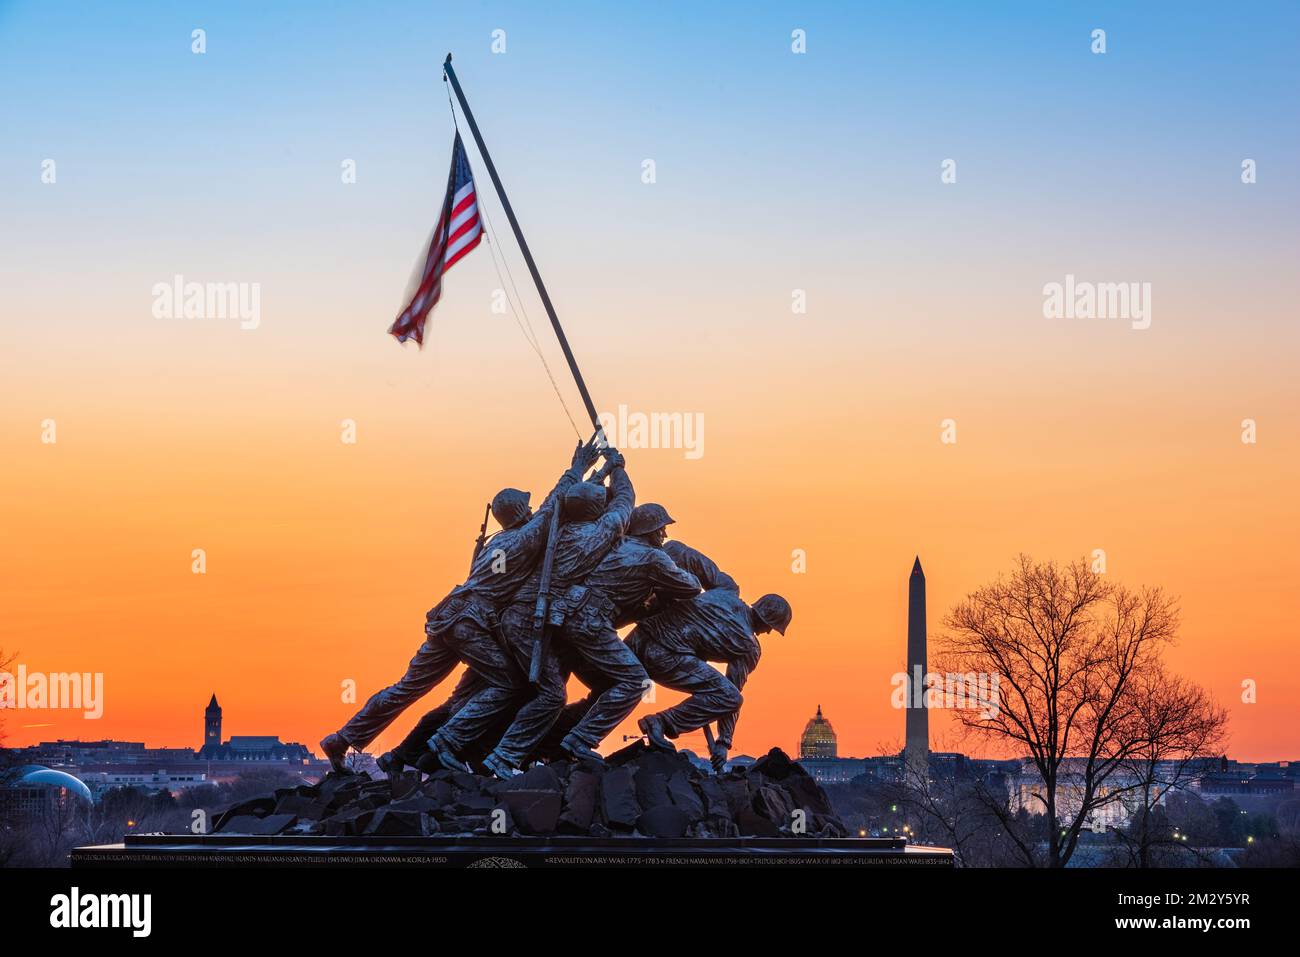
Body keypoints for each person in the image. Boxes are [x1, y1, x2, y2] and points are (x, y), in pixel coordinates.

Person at [317, 439, 601, 772]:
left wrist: (589, 479)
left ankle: (342, 738)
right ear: (522, 512)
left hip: (447, 616)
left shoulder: (496, 543)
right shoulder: (523, 540)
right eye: (528, 505)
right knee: (508, 683)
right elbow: (554, 506)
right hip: (470, 623)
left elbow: (550, 511)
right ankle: (448, 740)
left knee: (407, 688)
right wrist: (578, 467)